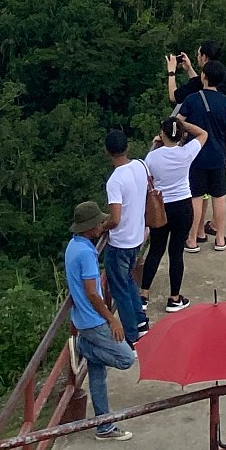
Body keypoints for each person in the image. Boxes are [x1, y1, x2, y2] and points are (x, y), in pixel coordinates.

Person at [65, 200, 137, 440]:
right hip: (93, 322)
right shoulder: (86, 253)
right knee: (126, 358)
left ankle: (104, 425)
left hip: (82, 319)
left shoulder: (73, 246)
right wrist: (111, 319)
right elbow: (92, 292)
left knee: (97, 376)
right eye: (98, 223)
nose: (101, 226)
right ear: (89, 227)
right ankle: (84, 347)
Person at [140, 111, 204, 312]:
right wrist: (183, 125)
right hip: (183, 206)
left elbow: (148, 179)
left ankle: (143, 294)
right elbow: (203, 134)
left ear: (162, 134)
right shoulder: (186, 153)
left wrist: (159, 141)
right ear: (181, 135)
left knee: (156, 250)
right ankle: (174, 298)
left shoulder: (151, 157)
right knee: (176, 253)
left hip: (161, 206)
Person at [181, 58, 226, 254]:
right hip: (218, 155)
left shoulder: (192, 100)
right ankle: (220, 239)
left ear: (203, 76)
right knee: (219, 197)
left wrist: (191, 129)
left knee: (195, 197)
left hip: (196, 156)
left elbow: (178, 122)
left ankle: (192, 239)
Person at [103, 128, 149, 345]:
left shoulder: (115, 181)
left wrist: (102, 226)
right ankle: (141, 322)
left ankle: (131, 335)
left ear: (107, 152)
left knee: (119, 288)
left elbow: (115, 218)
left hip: (120, 242)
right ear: (127, 147)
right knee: (129, 280)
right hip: (137, 236)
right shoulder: (140, 166)